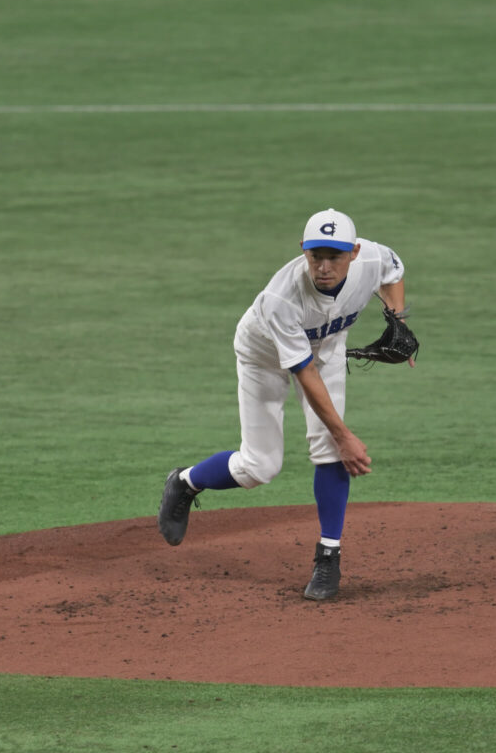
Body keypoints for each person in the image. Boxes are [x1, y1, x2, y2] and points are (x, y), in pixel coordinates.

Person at [157, 208, 413, 601]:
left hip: (326, 349)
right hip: (261, 355)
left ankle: (328, 557)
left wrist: (398, 320)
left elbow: (393, 270)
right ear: (303, 251)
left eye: (335, 256)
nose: (325, 266)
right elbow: (304, 373)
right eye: (316, 256)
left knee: (328, 451)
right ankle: (184, 482)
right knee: (261, 466)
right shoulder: (283, 297)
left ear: (355, 252)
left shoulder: (372, 258)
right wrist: (344, 434)